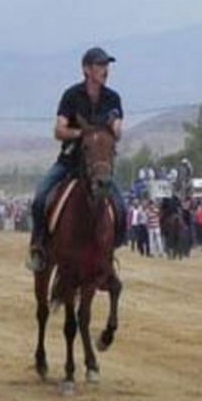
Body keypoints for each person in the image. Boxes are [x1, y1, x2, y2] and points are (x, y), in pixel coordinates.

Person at [26, 47, 126, 271]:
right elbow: (58, 130)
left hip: (99, 166)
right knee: (41, 196)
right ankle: (38, 247)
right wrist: (81, 134)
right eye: (100, 66)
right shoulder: (71, 96)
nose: (105, 70)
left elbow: (118, 130)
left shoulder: (112, 98)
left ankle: (109, 252)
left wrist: (114, 126)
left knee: (121, 206)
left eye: (106, 66)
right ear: (86, 69)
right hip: (70, 162)